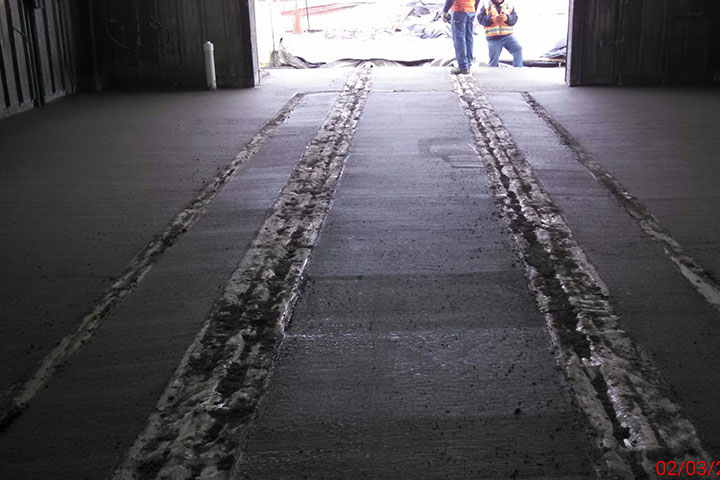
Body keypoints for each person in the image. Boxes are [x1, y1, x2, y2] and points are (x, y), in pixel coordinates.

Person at [477, 0, 523, 67]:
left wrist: (507, 18)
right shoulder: (486, 5)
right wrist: (491, 20)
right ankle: (493, 74)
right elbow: (480, 19)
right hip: (493, 38)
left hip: (508, 36)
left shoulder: (509, 4)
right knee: (493, 60)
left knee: (518, 49)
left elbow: (514, 18)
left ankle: (518, 69)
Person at [443, 0, 482, 75]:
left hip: (459, 9)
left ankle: (463, 66)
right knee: (469, 37)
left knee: (459, 38)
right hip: (471, 10)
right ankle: (468, 64)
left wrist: (445, 11)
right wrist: (474, 8)